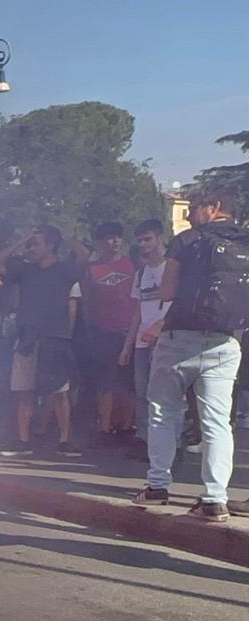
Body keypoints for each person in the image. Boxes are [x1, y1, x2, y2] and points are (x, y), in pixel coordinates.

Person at [134, 187, 248, 520]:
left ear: (214, 207)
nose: (188, 214)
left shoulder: (187, 240)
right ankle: (214, 498)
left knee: (163, 411)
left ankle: (157, 486)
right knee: (217, 423)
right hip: (226, 342)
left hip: (180, 338)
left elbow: (168, 290)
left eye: (194, 207)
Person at [0, 225, 85, 458]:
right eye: (31, 245)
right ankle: (23, 440)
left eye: (36, 244)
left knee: (60, 391)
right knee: (24, 389)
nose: (32, 248)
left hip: (56, 337)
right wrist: (21, 240)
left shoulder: (64, 270)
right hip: (28, 337)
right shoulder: (25, 270)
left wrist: (68, 236)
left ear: (50, 245)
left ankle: (64, 440)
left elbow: (84, 256)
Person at [81, 222, 138, 439]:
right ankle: (105, 426)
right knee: (105, 382)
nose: (114, 241)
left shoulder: (132, 265)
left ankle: (126, 426)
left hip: (128, 332)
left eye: (117, 237)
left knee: (128, 383)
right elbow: (86, 302)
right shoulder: (92, 269)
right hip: (102, 331)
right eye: (109, 237)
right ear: (99, 243)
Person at [119, 219, 172, 451]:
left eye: (148, 239)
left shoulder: (172, 268)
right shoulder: (142, 273)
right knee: (142, 393)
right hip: (142, 341)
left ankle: (170, 442)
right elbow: (137, 312)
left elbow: (179, 305)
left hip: (167, 340)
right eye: (140, 240)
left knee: (165, 395)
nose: (143, 244)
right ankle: (145, 439)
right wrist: (127, 345)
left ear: (160, 237)